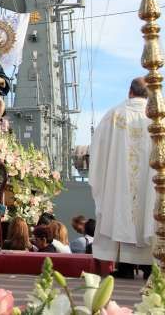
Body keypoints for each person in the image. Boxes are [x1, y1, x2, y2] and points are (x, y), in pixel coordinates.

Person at [89, 77, 155, 279]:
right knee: (148, 212)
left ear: (130, 92)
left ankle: (125, 265)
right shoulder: (157, 116)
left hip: (120, 184)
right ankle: (150, 266)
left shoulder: (114, 115)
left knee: (121, 212)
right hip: (150, 181)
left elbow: (98, 151)